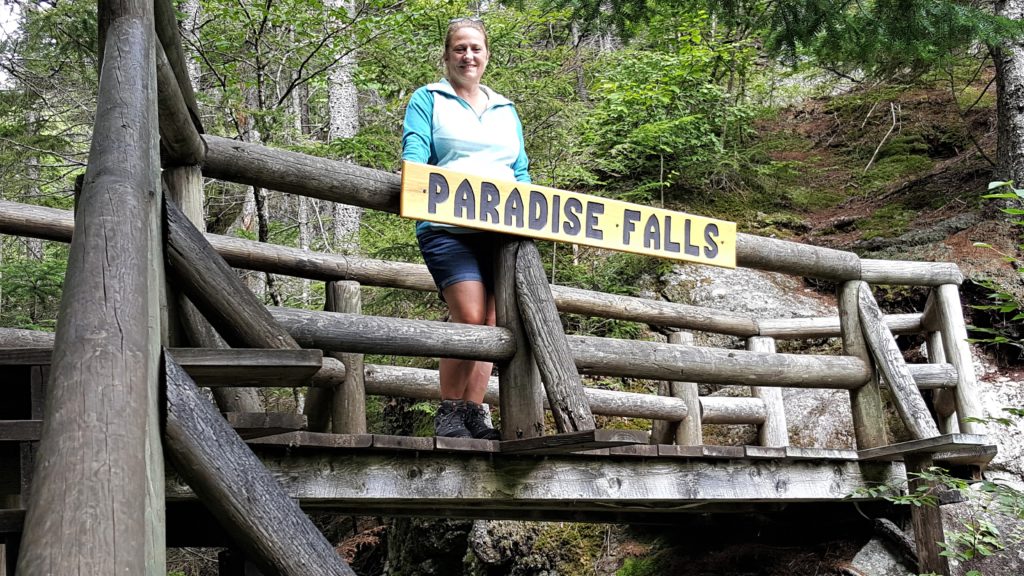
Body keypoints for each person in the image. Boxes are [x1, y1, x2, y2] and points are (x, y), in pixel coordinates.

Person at [401, 17, 530, 439]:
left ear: (487, 55)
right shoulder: (428, 98)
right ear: (447, 55)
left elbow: (520, 170)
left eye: (475, 48)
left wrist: (529, 215)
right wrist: (415, 176)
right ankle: (450, 412)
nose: (468, 56)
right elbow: (416, 150)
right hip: (446, 227)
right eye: (459, 48)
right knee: (470, 318)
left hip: (502, 232)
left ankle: (476, 413)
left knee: (495, 323)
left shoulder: (506, 109)